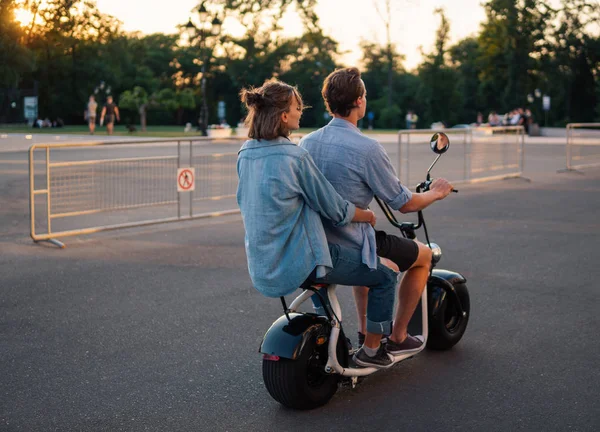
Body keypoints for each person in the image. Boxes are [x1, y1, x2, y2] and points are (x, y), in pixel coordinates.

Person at [237, 79, 401, 368]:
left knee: (321, 284)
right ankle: (373, 351)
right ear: (284, 116)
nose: (302, 113)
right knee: (385, 276)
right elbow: (336, 210)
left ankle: (334, 341)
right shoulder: (294, 156)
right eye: (297, 108)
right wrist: (367, 215)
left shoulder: (245, 153)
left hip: (265, 261)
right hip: (303, 258)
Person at [300, 67, 454, 355]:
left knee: (375, 257)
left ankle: (364, 331)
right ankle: (397, 335)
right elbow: (403, 202)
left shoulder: (307, 142)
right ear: (359, 101)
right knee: (423, 256)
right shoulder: (367, 148)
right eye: (366, 95)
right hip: (352, 240)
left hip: (315, 242)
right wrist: (435, 193)